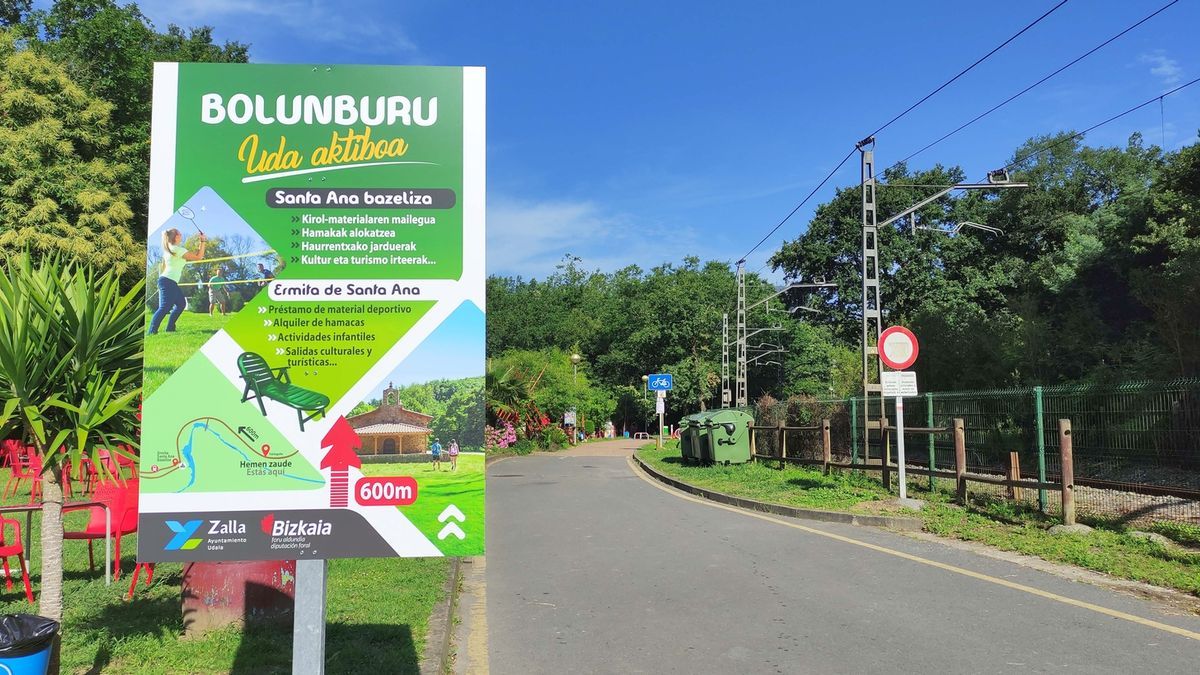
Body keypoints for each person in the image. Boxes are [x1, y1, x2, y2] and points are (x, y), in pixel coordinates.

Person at [148, 228, 206, 335]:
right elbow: (199, 257)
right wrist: (202, 241)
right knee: (165, 307)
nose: (181, 234)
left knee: (181, 304)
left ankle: (170, 328)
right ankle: (151, 331)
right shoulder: (177, 250)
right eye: (179, 233)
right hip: (167, 281)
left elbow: (165, 267)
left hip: (167, 281)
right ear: (176, 237)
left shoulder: (169, 250)